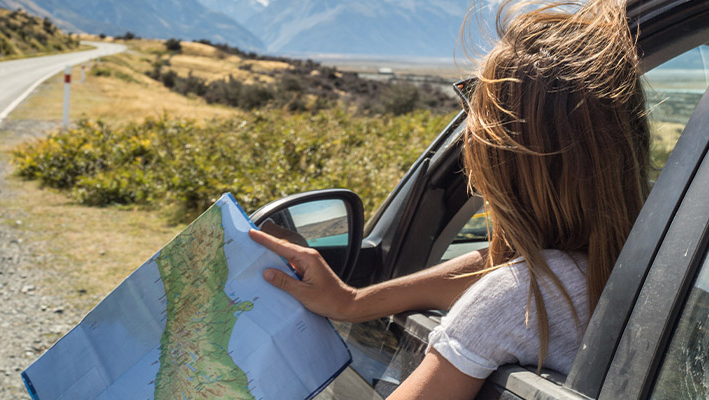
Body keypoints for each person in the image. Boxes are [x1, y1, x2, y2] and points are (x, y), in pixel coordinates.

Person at [249, 0, 650, 398]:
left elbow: (506, 285)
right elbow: (491, 269)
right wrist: (351, 302)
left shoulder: (518, 300)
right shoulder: (643, 263)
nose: (468, 133)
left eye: (475, 110)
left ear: (502, 156)